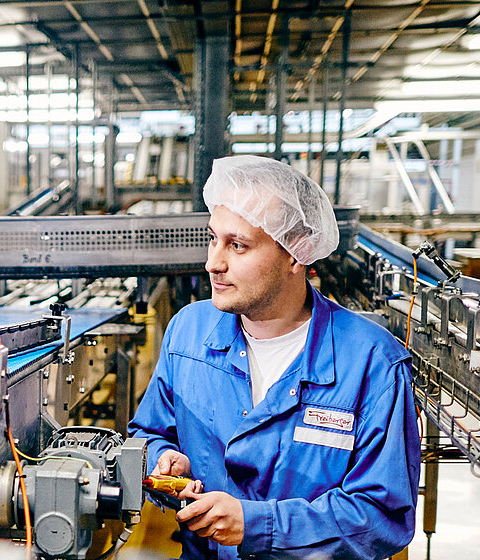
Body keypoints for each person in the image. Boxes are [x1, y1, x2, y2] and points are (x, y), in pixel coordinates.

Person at [128, 155, 419, 559]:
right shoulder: (188, 333)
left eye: (238, 245)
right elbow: (148, 435)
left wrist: (258, 525)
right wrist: (162, 463)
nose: (214, 262)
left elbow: (382, 516)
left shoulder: (371, 362)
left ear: (296, 254)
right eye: (213, 238)